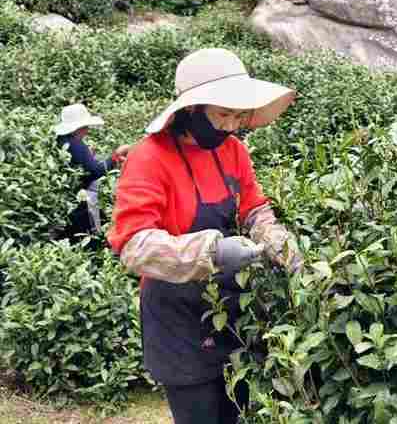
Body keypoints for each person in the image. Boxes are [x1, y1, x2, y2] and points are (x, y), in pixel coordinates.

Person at [107, 48, 302, 424]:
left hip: (230, 308)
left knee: (238, 410)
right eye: (221, 115)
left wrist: (281, 245)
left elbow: (253, 209)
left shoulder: (234, 152)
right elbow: (133, 246)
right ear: (192, 110)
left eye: (237, 116)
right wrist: (212, 251)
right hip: (176, 314)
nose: (231, 126)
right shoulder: (150, 157)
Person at [54, 103, 130, 241]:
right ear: (78, 127)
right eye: (85, 126)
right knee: (96, 232)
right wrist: (115, 156)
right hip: (82, 198)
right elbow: (94, 171)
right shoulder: (76, 144)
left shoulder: (62, 140)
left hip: (68, 197)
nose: (88, 129)